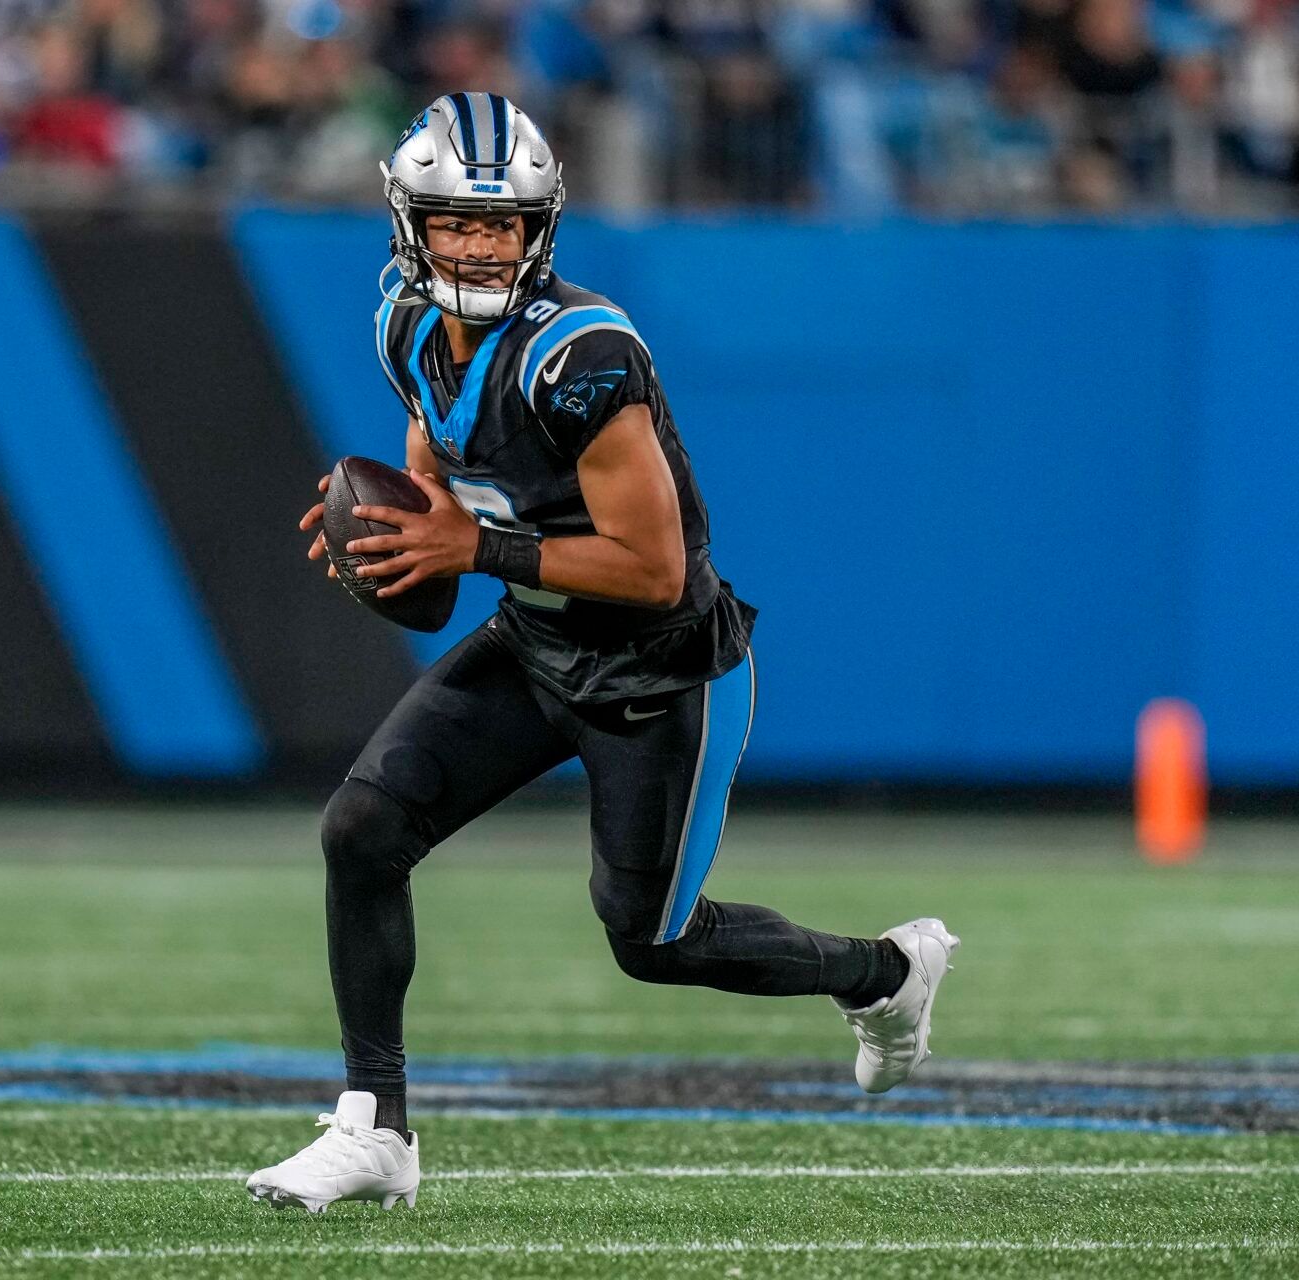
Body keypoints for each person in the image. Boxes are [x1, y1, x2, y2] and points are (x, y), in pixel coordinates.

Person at [247, 93, 959, 1215]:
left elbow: (656, 568)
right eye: (456, 223)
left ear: (542, 232)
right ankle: (373, 1124)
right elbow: (434, 446)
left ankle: (888, 972)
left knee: (652, 940)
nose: (481, 246)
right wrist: (398, 526)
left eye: (504, 226)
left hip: (663, 667)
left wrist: (469, 541)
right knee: (363, 827)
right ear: (407, 223)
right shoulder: (403, 324)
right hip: (539, 641)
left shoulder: (580, 354)